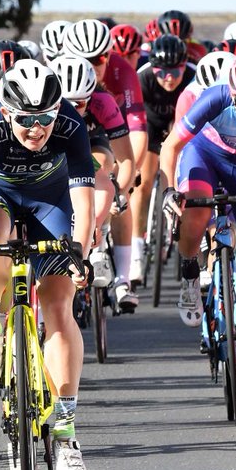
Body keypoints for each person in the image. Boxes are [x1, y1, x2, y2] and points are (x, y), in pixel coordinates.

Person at [0, 60, 95, 470]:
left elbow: (83, 202)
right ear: (7, 112)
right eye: (27, 120)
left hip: (51, 201)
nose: (38, 129)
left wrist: (79, 253)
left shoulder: (70, 125)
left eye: (45, 118)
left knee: (59, 305)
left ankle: (65, 433)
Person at [159, 50, 236, 398]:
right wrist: (170, 189)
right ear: (234, 96)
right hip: (206, 156)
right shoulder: (216, 97)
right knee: (196, 211)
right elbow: (171, 147)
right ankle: (189, 275)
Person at [51, 54, 133, 294]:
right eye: (63, 103)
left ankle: (99, 237)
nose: (70, 109)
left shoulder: (103, 102)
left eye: (79, 104)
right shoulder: (42, 105)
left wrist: (120, 191)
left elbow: (126, 159)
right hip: (53, 146)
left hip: (91, 143)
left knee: (103, 165)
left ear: (90, 96)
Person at [128, 34, 194, 309]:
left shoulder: (193, 77)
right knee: (142, 182)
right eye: (162, 72)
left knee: (184, 177)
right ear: (153, 68)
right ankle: (136, 250)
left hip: (181, 125)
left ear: (184, 66)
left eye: (175, 71)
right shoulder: (142, 78)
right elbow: (133, 120)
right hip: (150, 126)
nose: (168, 78)